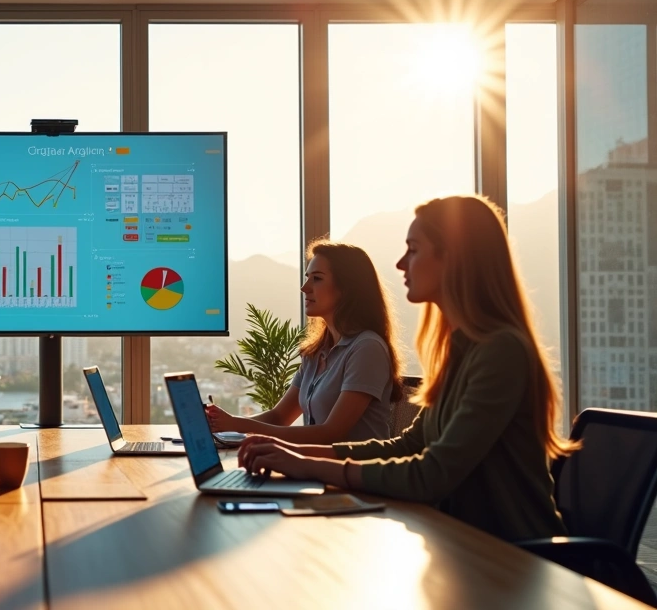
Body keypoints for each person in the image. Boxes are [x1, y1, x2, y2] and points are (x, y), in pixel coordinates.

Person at [237, 195, 579, 542]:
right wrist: (292, 455)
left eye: (413, 249)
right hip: (460, 542)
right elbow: (408, 445)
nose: (401, 263)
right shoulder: (460, 351)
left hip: (515, 557)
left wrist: (306, 464)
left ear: (455, 259)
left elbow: (434, 472)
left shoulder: (500, 352)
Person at [205, 241, 404, 443]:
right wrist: (224, 424)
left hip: (354, 472)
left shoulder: (367, 348)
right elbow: (279, 417)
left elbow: (330, 434)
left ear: (347, 287)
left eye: (317, 279)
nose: (304, 287)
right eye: (307, 277)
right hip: (318, 469)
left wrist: (236, 425)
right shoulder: (317, 352)